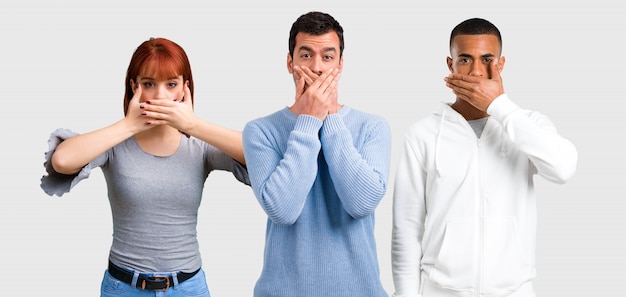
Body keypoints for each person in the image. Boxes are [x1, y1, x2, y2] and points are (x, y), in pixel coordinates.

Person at [40, 37, 249, 297]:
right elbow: (62, 161)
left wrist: (193, 125)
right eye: (149, 84)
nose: (160, 96)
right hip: (123, 287)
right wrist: (128, 125)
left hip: (188, 288)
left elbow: (258, 154)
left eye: (171, 84)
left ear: (185, 88)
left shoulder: (200, 145)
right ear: (134, 86)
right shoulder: (115, 142)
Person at [391, 18, 578, 297]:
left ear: (501, 65)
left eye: (487, 59)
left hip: (515, 291)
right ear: (450, 64)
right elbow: (406, 227)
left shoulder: (527, 124)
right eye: (465, 59)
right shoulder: (423, 134)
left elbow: (563, 169)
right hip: (439, 291)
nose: (477, 71)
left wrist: (499, 106)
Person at [242, 11, 391, 297]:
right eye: (306, 55)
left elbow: (361, 203)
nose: (318, 68)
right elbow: (283, 210)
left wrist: (331, 117)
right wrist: (308, 121)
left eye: (328, 57)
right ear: (290, 63)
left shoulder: (373, 127)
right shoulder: (260, 131)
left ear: (341, 64)